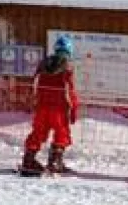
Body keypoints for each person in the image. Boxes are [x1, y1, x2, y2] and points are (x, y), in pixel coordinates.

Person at [21, 35, 80, 176]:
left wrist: (32, 100)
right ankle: (55, 162)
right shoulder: (67, 67)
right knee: (62, 134)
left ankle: (28, 161)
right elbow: (69, 90)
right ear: (69, 51)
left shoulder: (43, 64)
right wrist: (74, 108)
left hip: (42, 106)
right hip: (59, 109)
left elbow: (33, 84)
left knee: (38, 133)